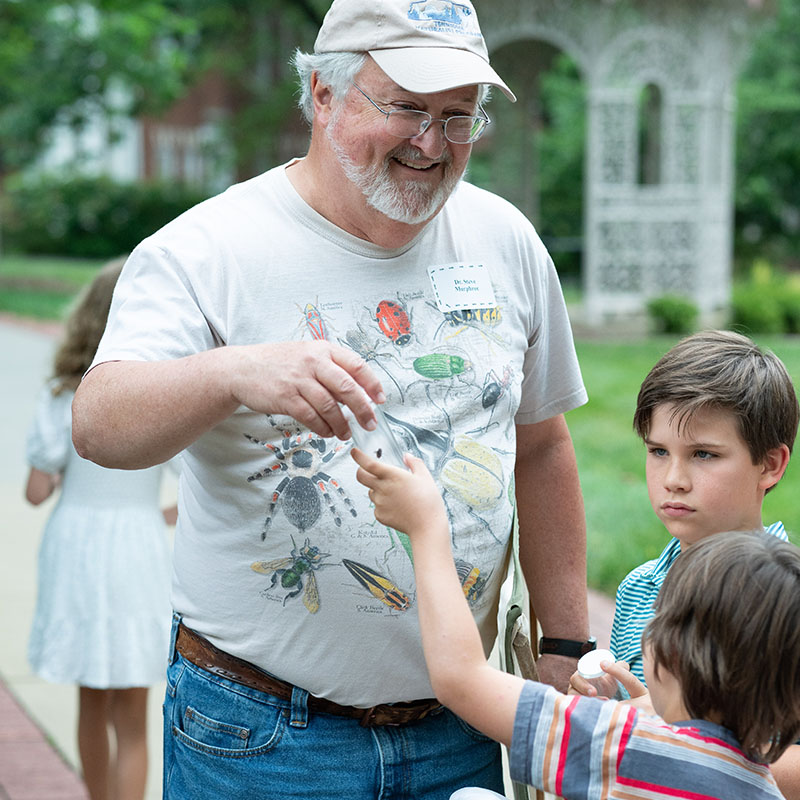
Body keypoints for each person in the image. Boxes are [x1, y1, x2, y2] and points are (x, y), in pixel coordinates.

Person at [71, 0, 591, 797]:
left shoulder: (506, 239)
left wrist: (566, 641)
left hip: (462, 723)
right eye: (406, 108)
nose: (431, 143)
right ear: (321, 92)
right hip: (263, 737)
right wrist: (229, 373)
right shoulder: (205, 249)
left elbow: (544, 444)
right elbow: (99, 424)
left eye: (459, 117)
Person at [353, 446, 800, 799]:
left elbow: (460, 678)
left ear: (667, 653)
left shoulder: (622, 744)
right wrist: (657, 707)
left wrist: (427, 528)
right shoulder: (762, 788)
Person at [567, 329, 800, 797]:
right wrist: (602, 705)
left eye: (703, 455)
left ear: (770, 465)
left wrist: (671, 739)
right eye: (658, 451)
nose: (673, 479)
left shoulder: (787, 600)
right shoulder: (639, 586)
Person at [24, 258, 175, 800]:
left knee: (91, 698)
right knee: (133, 711)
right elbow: (194, 487)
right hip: (137, 546)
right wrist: (155, 514)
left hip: (79, 547)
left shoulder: (63, 394)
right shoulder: (156, 393)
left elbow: (36, 492)